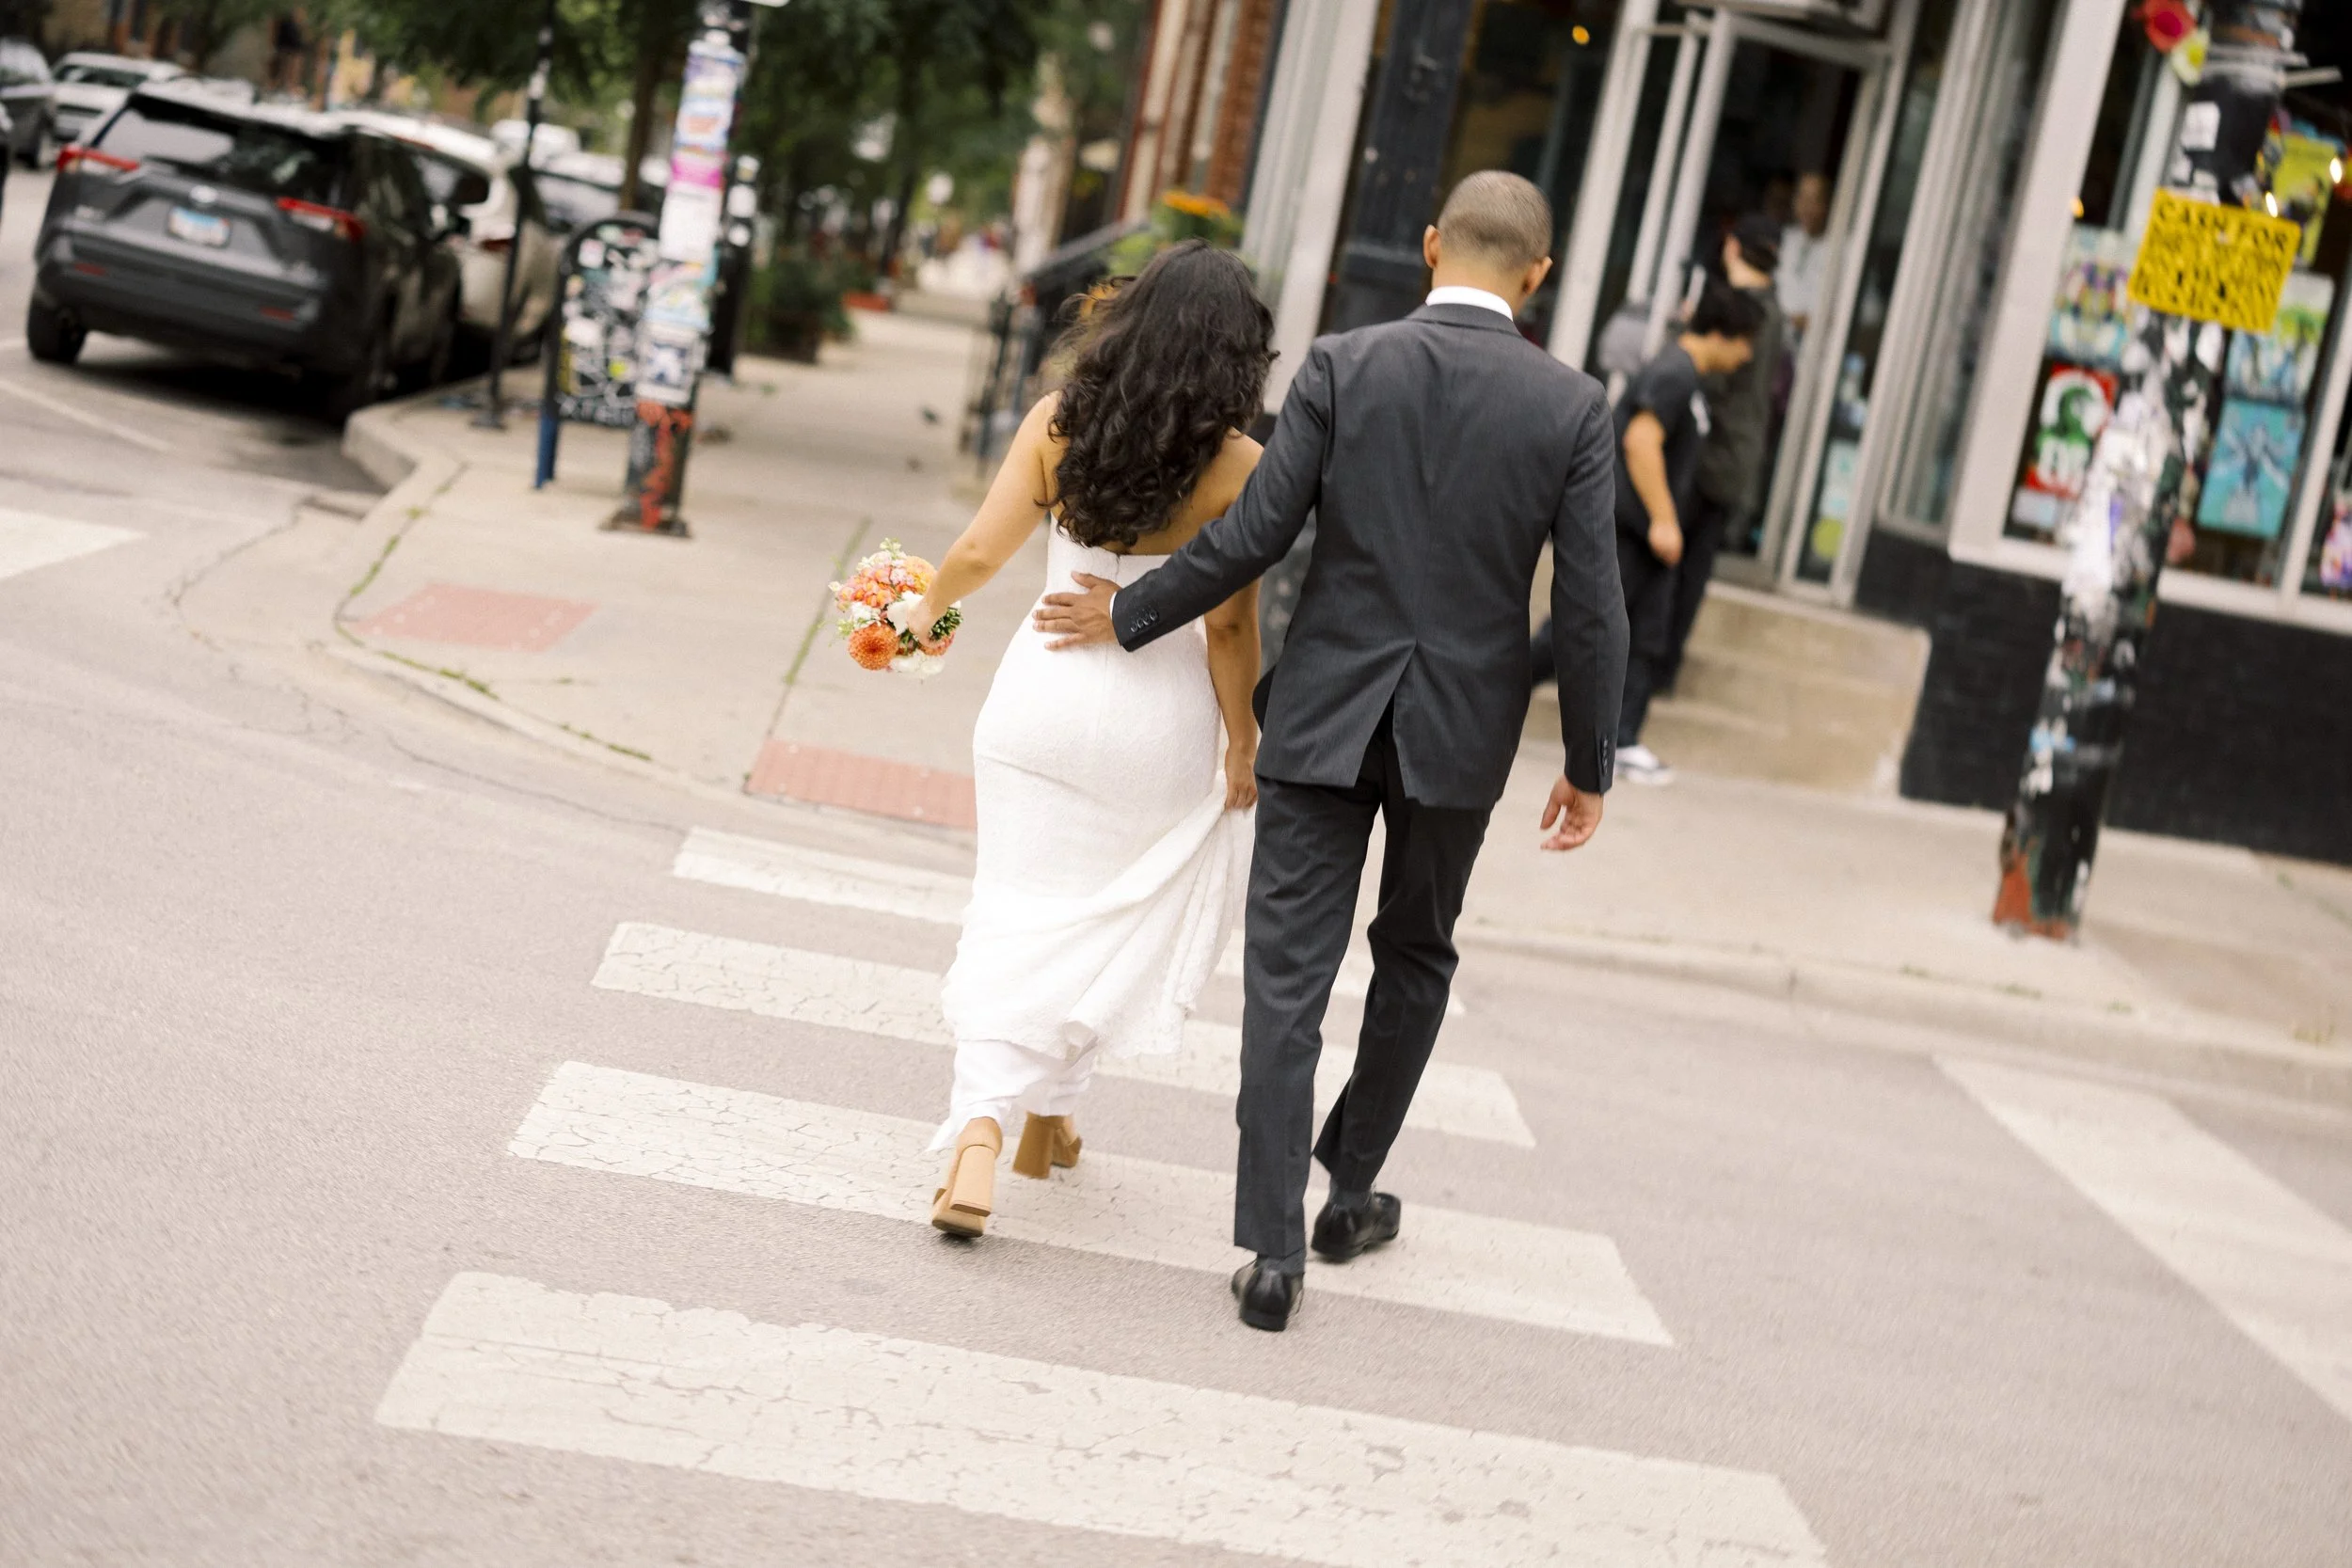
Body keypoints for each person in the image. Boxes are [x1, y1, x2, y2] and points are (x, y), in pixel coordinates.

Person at [1031, 171, 1626, 1332]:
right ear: (1537, 275)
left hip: (1322, 717)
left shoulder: (1345, 365)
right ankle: (1347, 1191)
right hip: (1460, 731)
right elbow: (1592, 602)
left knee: (1286, 982)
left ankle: (1270, 1253)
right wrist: (1590, 759)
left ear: (1426, 245)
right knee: (1415, 955)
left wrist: (1129, 610)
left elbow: (1255, 534)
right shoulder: (1572, 406)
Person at [899, 242, 1270, 1239]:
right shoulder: (1240, 467)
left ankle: (1000, 1124)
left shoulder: (1058, 422)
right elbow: (1231, 627)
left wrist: (916, 618)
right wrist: (1242, 742)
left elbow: (979, 551)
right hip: (1156, 718)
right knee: (1102, 915)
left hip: (1038, 704)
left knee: (1016, 907)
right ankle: (1025, 1120)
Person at [1605, 280, 1764, 784]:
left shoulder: (1687, 374)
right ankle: (1495, 691)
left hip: (1645, 534)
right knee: (1580, 632)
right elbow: (1640, 441)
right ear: (1724, 334)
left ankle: (1624, 739)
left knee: (1648, 635)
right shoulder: (1675, 372)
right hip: (1632, 530)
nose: (1748, 355)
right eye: (1746, 342)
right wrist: (1664, 519)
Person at [1661, 215, 1786, 696]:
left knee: (1673, 567)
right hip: (1735, 456)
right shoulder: (1772, 310)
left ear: (1732, 247)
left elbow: (1709, 377)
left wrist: (1690, 329)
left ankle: (1653, 664)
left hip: (1710, 455)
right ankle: (1661, 665)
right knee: (1692, 566)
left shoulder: (1746, 312)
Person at [1777, 172, 1833, 334]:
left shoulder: (1844, 250)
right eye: (1802, 198)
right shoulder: (1786, 239)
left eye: (1814, 200)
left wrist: (1814, 321)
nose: (1806, 207)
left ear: (1827, 205)